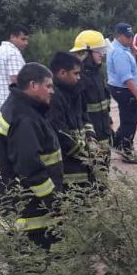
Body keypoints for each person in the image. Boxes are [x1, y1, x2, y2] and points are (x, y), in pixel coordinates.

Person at [0, 63, 63, 249]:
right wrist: (54, 202)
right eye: (48, 86)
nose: (52, 91)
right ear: (33, 85)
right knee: (39, 265)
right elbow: (30, 168)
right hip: (32, 213)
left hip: (18, 204)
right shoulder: (25, 119)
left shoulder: (16, 106)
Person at [48, 52, 96, 190]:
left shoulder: (76, 91)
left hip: (82, 162)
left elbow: (85, 117)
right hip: (67, 166)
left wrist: (91, 140)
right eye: (75, 73)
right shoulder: (53, 97)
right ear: (62, 73)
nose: (79, 77)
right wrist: (86, 153)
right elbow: (61, 134)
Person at [70, 30, 113, 174]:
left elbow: (103, 103)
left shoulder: (96, 73)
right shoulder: (78, 78)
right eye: (98, 51)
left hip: (104, 131)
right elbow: (78, 112)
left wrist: (110, 121)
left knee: (103, 170)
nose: (102, 54)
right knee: (92, 173)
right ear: (87, 53)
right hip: (90, 136)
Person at [107, 22, 137, 164]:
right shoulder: (119, 52)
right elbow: (126, 77)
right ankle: (127, 152)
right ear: (119, 36)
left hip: (121, 89)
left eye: (131, 36)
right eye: (127, 37)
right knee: (131, 120)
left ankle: (118, 143)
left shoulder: (120, 48)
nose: (130, 39)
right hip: (125, 90)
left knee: (127, 119)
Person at [0, 25, 29, 114]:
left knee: (0, 128)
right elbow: (16, 80)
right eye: (23, 39)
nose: (26, 43)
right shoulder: (13, 53)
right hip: (11, 105)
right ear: (12, 37)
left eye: (27, 40)